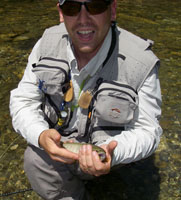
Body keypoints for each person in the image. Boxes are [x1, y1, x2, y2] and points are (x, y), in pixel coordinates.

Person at [9, 0, 162, 199]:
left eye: (96, 6)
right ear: (61, 13)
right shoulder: (45, 45)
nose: (83, 19)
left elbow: (148, 130)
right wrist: (40, 135)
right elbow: (23, 100)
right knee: (34, 158)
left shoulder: (142, 62)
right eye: (72, 8)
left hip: (109, 153)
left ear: (112, 10)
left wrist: (113, 153)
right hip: (61, 147)